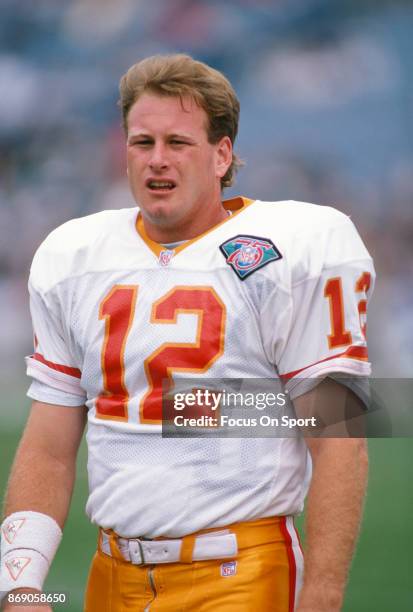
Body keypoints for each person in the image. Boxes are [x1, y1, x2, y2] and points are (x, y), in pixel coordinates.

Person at [0, 54, 374, 612]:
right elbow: (51, 444)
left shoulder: (293, 246)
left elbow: (339, 434)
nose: (157, 161)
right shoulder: (75, 255)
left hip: (241, 572)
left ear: (222, 155)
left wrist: (321, 594)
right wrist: (21, 582)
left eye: (178, 143)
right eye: (141, 142)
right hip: (113, 575)